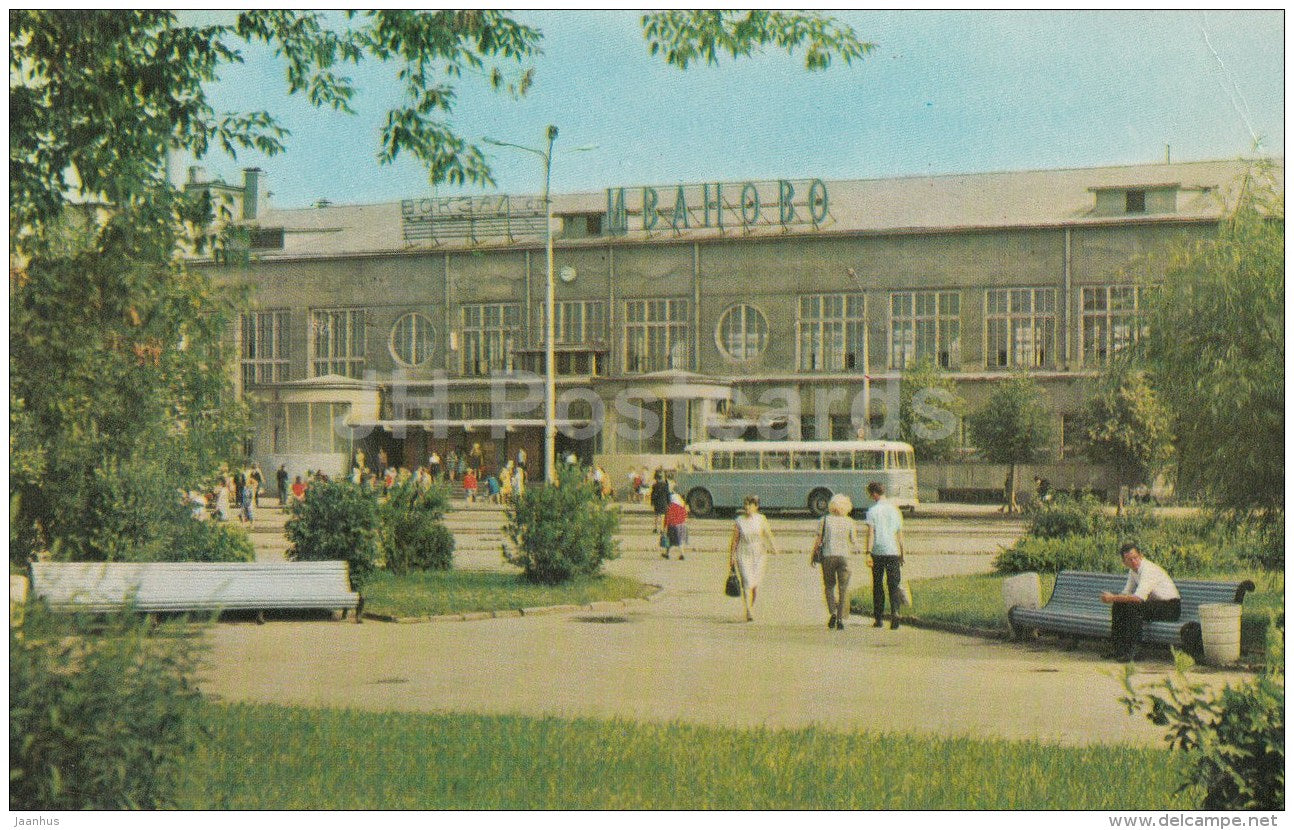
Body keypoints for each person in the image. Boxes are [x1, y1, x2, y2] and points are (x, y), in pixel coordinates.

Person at [1100, 542, 1181, 662]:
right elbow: (1126, 592)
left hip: (1170, 608)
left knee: (1134, 607)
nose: (1134, 561)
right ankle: (1119, 649)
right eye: (1129, 559)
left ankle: (1135, 650)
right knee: (1119, 605)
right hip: (1155, 605)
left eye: (1135, 558)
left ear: (1141, 556)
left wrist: (1112, 598)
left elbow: (1139, 598)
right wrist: (1115, 598)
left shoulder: (1149, 569)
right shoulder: (1133, 571)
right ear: (1124, 562)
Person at [728, 495, 777, 622]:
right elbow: (735, 540)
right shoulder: (739, 521)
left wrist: (773, 547)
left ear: (756, 506)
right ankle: (748, 610)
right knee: (747, 581)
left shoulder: (761, 519)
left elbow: (768, 534)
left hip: (759, 554)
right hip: (744, 553)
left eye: (750, 505)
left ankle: (751, 606)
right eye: (746, 504)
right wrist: (732, 556)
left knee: (755, 585)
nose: (747, 507)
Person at [813, 493, 858, 630]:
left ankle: (832, 611)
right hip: (844, 557)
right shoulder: (850, 521)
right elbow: (854, 541)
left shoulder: (824, 520)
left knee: (829, 586)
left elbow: (818, 541)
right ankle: (840, 618)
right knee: (843, 588)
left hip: (828, 556)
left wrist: (813, 555)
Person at [864, 481, 905, 630]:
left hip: (878, 552)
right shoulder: (895, 510)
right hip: (893, 551)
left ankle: (879, 618)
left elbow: (871, 534)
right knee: (893, 584)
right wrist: (902, 553)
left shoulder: (872, 511)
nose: (871, 497)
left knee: (878, 585)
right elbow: (900, 534)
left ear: (874, 494)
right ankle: (895, 612)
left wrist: (868, 552)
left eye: (870, 494)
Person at [664, 492, 689, 560]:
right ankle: (680, 554)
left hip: (673, 526)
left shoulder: (671, 506)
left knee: (669, 541)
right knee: (679, 541)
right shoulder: (682, 506)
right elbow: (685, 515)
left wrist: (665, 526)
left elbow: (668, 517)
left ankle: (668, 554)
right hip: (682, 526)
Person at [650, 470, 671, 534]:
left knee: (657, 515)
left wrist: (652, 502)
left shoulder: (655, 485)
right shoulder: (665, 485)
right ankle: (662, 529)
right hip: (664, 502)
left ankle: (656, 528)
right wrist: (669, 503)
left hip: (657, 502)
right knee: (662, 516)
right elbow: (668, 494)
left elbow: (653, 495)